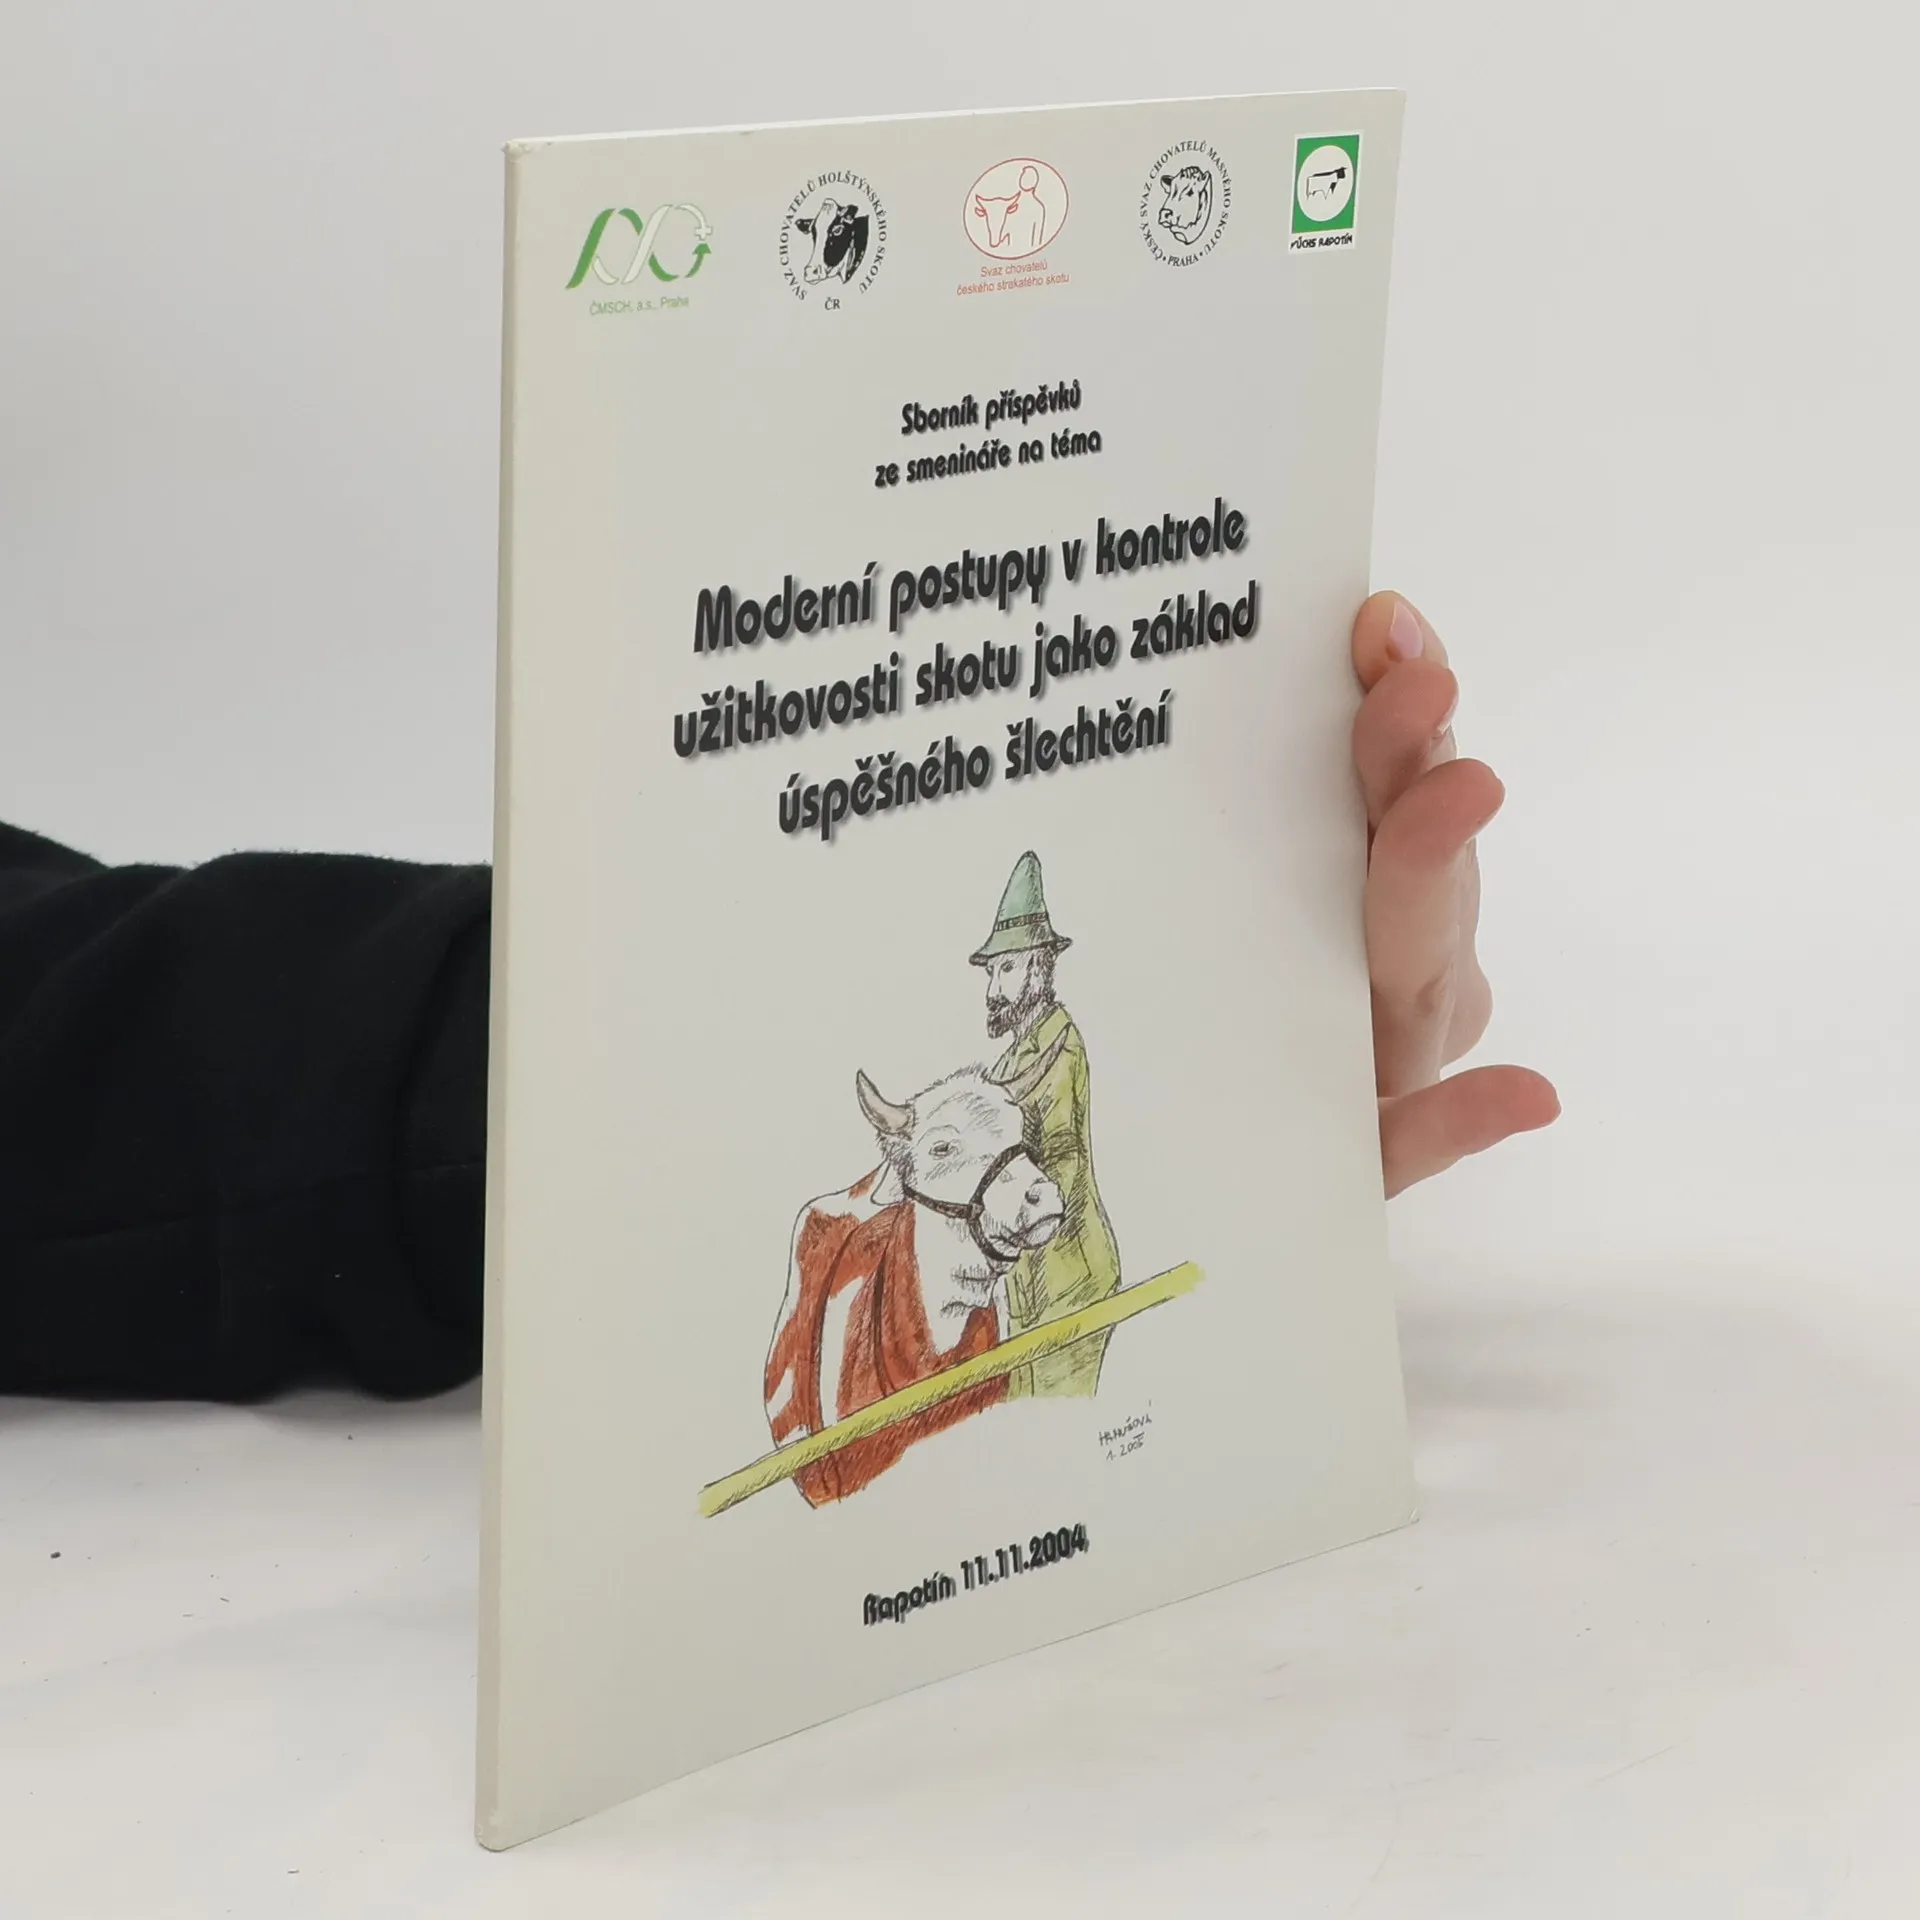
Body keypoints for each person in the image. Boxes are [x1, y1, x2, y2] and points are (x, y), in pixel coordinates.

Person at [0, 592, 1557, 1400]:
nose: (1013, 983)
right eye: (1002, 968)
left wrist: (1220, 993)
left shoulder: (1061, 1045)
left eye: (1023, 966)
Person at [972, 850, 1122, 1400]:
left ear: (1039, 967)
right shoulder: (1009, 1062)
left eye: (1007, 968)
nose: (994, 988)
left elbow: (1055, 1163)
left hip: (1070, 1280)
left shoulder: (1061, 1046)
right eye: (993, 971)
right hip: (1025, 1292)